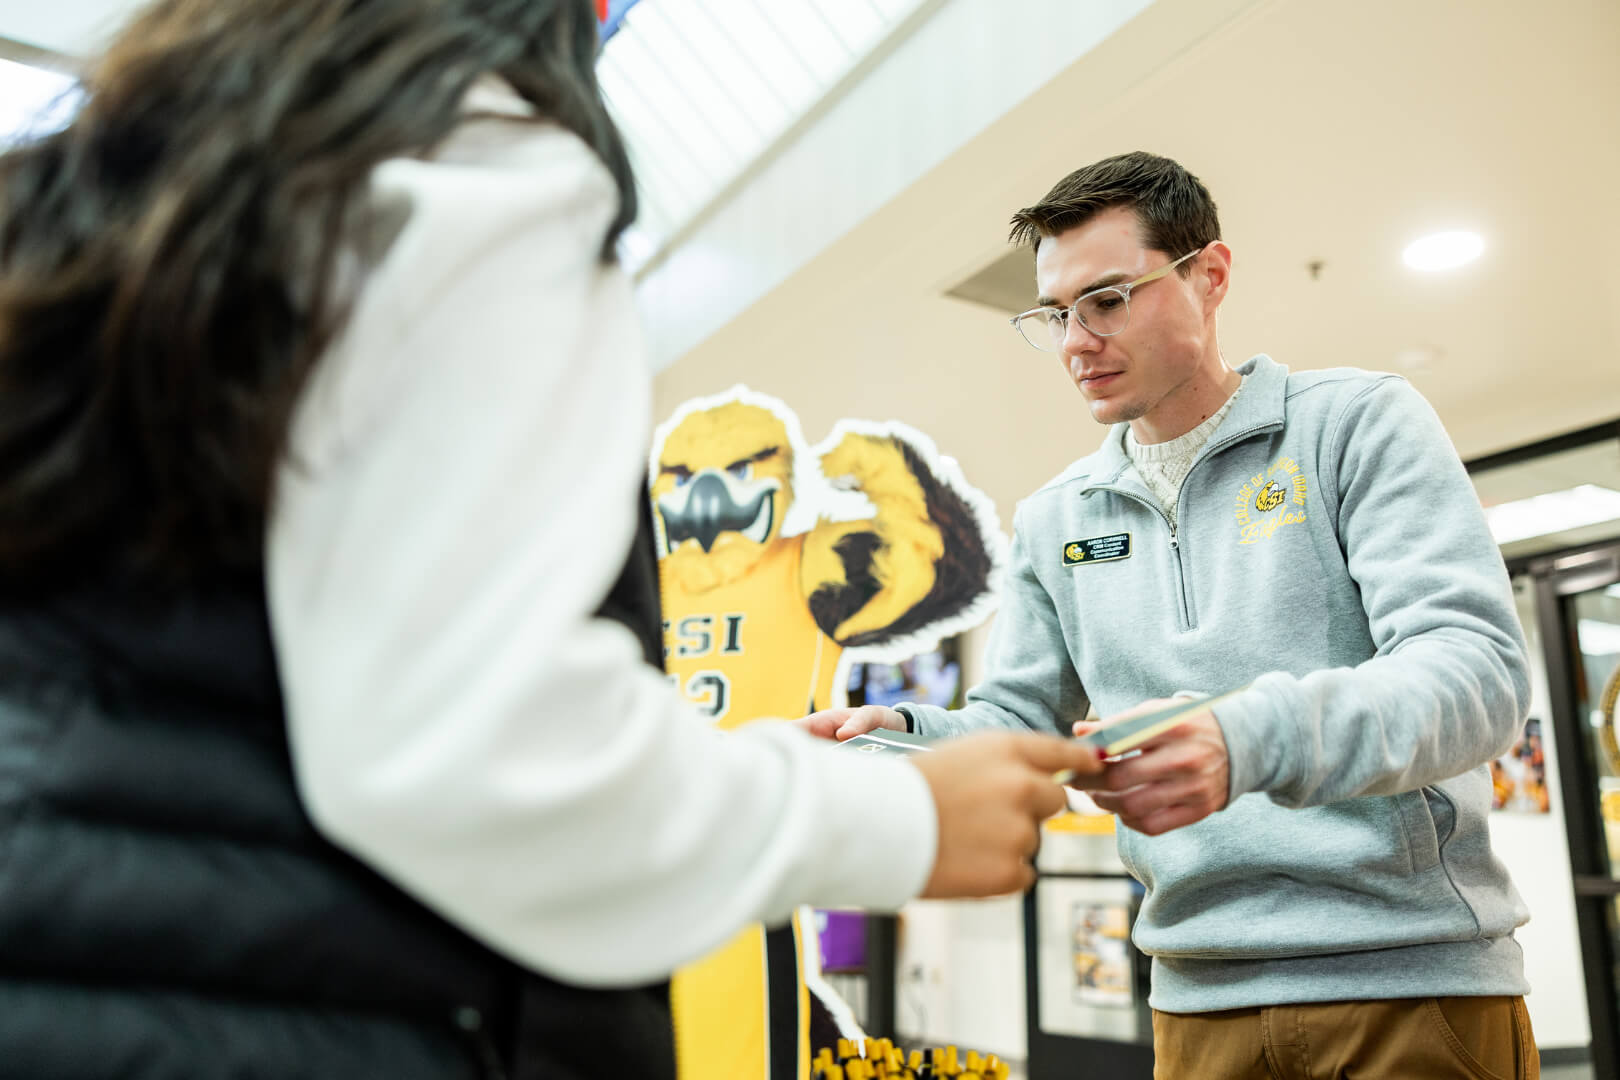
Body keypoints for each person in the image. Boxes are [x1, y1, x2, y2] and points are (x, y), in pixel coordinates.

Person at [0, 2, 1101, 1077]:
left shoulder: (131, 186)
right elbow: (468, 738)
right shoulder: (479, 160)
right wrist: (897, 819)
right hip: (322, 1001)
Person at [803, 151, 1539, 1079]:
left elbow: (1475, 673)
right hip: (1192, 1000)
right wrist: (904, 737)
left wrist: (1244, 737)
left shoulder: (1356, 425)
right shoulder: (1055, 518)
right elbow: (1019, 721)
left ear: (1209, 276)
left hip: (1409, 984)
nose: (1076, 340)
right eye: (1055, 314)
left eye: (1108, 300)